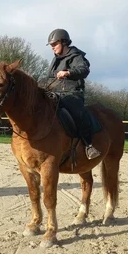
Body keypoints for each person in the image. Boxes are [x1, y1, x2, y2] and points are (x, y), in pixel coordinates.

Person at [43, 29, 100, 160]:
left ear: (64, 42)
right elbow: (49, 78)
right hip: (55, 93)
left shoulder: (76, 55)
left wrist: (67, 72)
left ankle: (89, 145)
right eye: (51, 45)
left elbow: (84, 70)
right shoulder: (55, 59)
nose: (52, 47)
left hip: (73, 93)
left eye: (54, 44)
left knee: (77, 111)